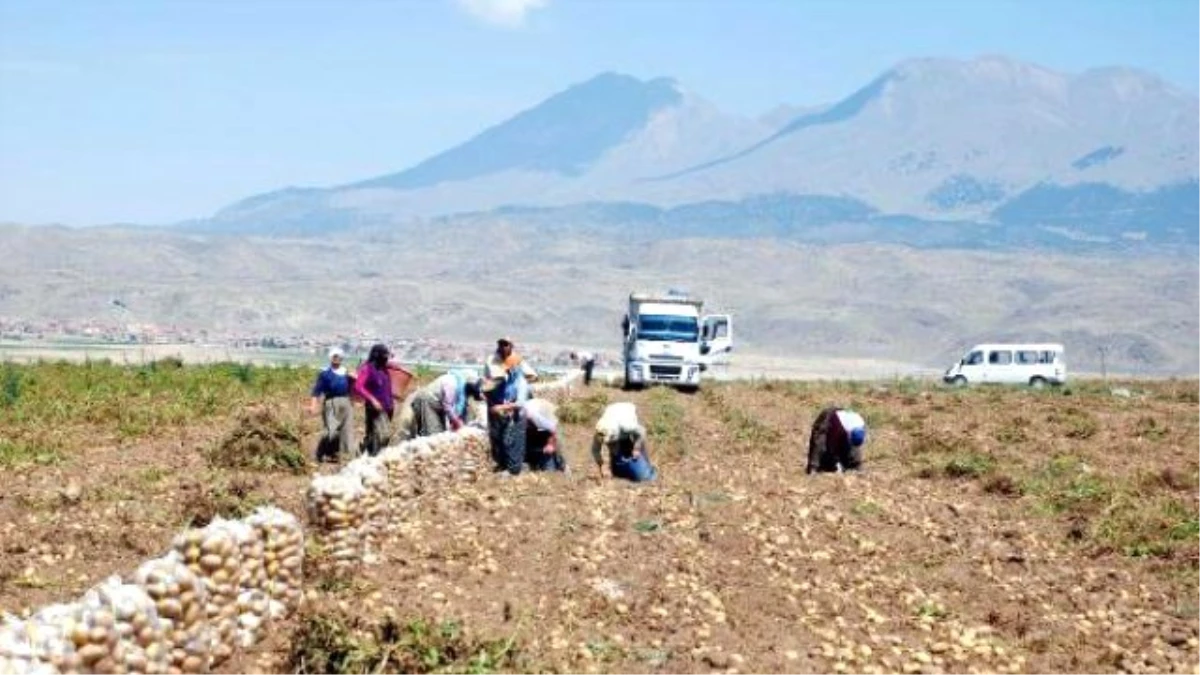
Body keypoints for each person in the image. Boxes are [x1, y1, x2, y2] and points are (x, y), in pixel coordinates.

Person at [484, 355, 532, 476]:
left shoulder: (521, 382)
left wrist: (501, 407)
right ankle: (510, 466)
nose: (507, 370)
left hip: (519, 415)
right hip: (510, 414)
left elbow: (520, 403)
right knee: (507, 441)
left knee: (516, 442)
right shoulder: (510, 380)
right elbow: (507, 395)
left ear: (514, 367)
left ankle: (514, 470)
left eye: (509, 368)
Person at [308, 347, 355, 463]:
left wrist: (355, 380)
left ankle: (343, 455)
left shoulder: (347, 373)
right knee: (331, 430)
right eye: (334, 356)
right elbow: (316, 391)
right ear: (331, 358)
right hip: (331, 402)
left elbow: (354, 388)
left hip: (346, 402)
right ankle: (320, 453)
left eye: (339, 356)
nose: (337, 359)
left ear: (342, 358)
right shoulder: (325, 374)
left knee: (346, 430)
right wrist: (313, 405)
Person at [591, 402, 657, 482]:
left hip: (626, 412)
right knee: (619, 467)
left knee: (643, 475)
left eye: (610, 441)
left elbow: (642, 432)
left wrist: (636, 448)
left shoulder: (627, 425)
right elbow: (595, 450)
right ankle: (621, 465)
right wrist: (601, 465)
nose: (608, 444)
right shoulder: (600, 431)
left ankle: (648, 469)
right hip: (612, 413)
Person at [410, 368, 483, 437]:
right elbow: (447, 406)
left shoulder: (462, 391)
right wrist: (456, 421)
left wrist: (458, 421)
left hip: (437, 405)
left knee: (441, 432)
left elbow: (460, 409)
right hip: (427, 402)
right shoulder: (451, 383)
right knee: (433, 434)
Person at [355, 343, 395, 457]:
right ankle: (374, 457)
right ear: (377, 356)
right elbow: (358, 386)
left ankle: (365, 452)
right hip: (375, 407)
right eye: (384, 356)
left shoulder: (385, 368)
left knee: (374, 434)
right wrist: (372, 400)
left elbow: (395, 366)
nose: (386, 358)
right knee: (384, 434)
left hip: (388, 406)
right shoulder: (367, 368)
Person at [806, 407, 867, 474]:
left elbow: (854, 448)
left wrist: (857, 467)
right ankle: (814, 468)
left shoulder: (859, 426)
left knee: (849, 451)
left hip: (843, 425)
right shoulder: (838, 425)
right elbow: (818, 444)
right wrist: (813, 466)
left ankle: (852, 466)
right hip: (831, 418)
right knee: (822, 447)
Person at [521, 397, 565, 472]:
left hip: (550, 419)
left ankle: (561, 465)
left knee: (550, 467)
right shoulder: (513, 418)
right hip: (535, 425)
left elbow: (554, 429)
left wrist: (550, 445)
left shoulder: (535, 416)